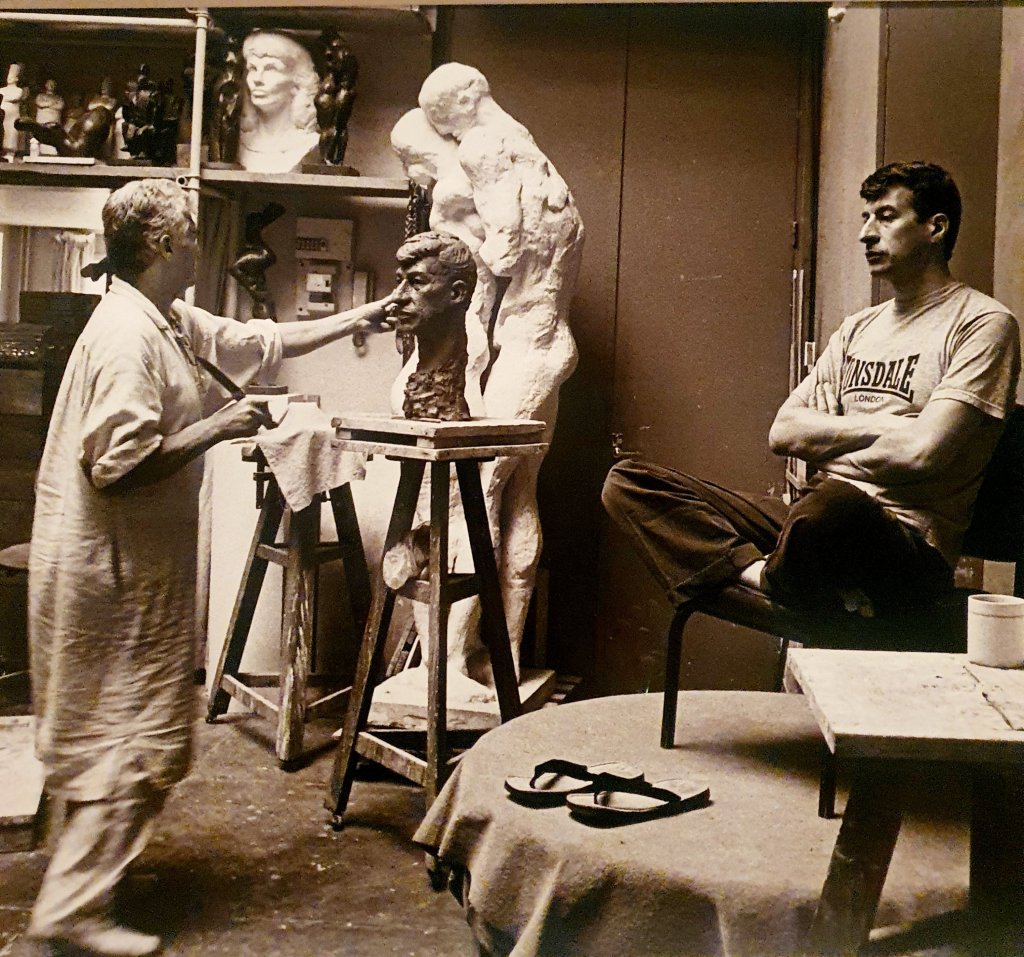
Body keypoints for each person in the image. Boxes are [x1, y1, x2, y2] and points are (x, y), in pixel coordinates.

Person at [26, 178, 390, 956]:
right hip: (108, 573)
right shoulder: (127, 337)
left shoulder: (167, 317)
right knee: (125, 735)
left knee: (127, 730)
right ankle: (69, 912)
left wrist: (361, 318)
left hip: (128, 568)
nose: (198, 246)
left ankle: (84, 883)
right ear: (161, 245)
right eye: (191, 236)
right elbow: (114, 466)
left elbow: (260, 342)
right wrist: (221, 425)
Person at [603, 161, 1021, 623]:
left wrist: (826, 444)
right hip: (813, 522)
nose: (865, 234)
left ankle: (769, 579)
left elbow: (922, 453)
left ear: (935, 228)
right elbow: (783, 431)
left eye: (885, 217)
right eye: (865, 218)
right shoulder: (857, 328)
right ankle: (766, 577)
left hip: (904, 545)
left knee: (832, 505)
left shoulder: (983, 324)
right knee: (629, 482)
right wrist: (888, 428)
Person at [417, 63, 585, 684]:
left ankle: (447, 663)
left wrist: (458, 236)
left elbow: (504, 251)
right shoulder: (538, 165)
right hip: (546, 343)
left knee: (480, 490)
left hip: (526, 349)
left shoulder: (484, 147)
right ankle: (505, 658)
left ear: (455, 110)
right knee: (518, 495)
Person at [237, 29, 319, 173]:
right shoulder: (236, 142)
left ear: (298, 80)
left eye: (271, 68)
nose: (257, 79)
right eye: (253, 68)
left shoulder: (309, 143)